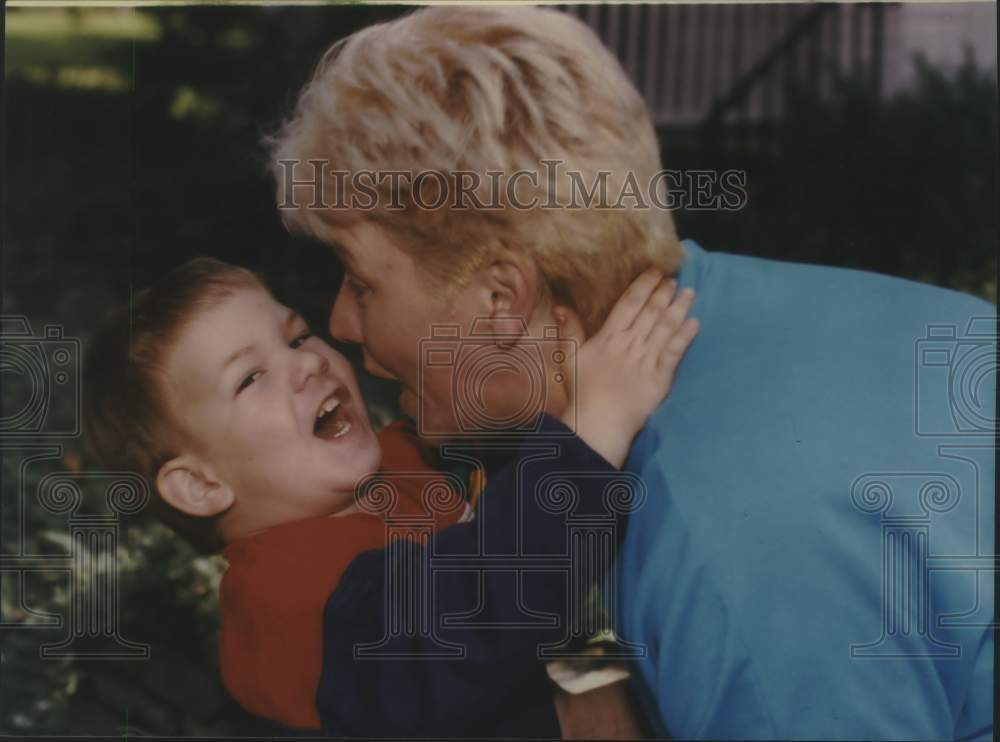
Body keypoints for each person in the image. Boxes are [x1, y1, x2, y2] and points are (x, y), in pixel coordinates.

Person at [269, 5, 995, 740]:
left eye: (361, 284)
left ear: (499, 297)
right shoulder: (789, 315)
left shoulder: (719, 554)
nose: (340, 323)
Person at [82, 256, 698, 735]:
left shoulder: (399, 461)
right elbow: (470, 619)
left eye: (295, 338)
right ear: (201, 485)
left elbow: (514, 494)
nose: (308, 364)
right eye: (250, 378)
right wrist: (596, 424)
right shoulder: (285, 607)